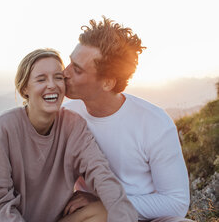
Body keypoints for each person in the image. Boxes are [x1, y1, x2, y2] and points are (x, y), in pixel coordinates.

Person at [0, 49, 137, 222]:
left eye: (58, 77)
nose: (52, 85)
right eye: (41, 79)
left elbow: (101, 174)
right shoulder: (2, 129)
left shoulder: (73, 125)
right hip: (3, 219)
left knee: (103, 211)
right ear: (25, 87)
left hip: (50, 218)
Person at [61, 17, 191, 222]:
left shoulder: (155, 123)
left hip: (143, 217)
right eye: (69, 62)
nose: (64, 73)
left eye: (77, 70)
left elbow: (176, 202)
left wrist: (108, 203)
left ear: (107, 83)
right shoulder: (66, 115)